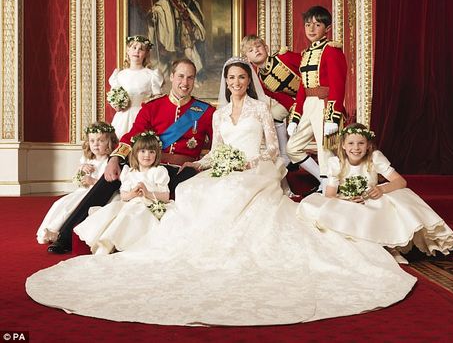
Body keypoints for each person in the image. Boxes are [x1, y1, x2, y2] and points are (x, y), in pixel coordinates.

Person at [27, 58, 416, 326]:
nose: (235, 84)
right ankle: (74, 233)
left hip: (248, 168)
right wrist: (190, 162)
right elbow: (205, 149)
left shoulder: (237, 110)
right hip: (179, 162)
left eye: (241, 78)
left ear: (246, 80)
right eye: (229, 79)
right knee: (184, 189)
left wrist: (239, 162)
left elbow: (267, 148)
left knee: (216, 191)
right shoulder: (185, 110)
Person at [47, 58, 214, 254]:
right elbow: (131, 137)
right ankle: (66, 236)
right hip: (148, 164)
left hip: (180, 171)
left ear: (195, 80)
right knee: (110, 178)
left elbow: (216, 146)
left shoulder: (206, 112)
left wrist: (199, 164)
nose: (184, 83)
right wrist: (114, 159)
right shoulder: (153, 107)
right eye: (180, 76)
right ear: (171, 77)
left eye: (190, 78)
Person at [298, 123, 453, 262]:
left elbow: (401, 182)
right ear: (343, 146)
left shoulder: (374, 158)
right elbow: (330, 194)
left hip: (372, 199)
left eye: (361, 143)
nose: (356, 148)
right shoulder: (336, 163)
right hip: (348, 200)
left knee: (391, 202)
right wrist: (346, 199)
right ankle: (362, 248)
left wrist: (381, 189)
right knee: (330, 209)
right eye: (351, 143)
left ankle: (390, 246)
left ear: (368, 145)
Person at [74, 131, 170, 255]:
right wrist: (133, 194)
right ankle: (104, 243)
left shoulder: (158, 171)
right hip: (131, 202)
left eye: (152, 152)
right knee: (112, 212)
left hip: (149, 205)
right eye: (143, 151)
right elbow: (124, 195)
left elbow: (166, 196)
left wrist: (147, 193)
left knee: (131, 215)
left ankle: (111, 242)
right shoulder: (129, 172)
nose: (147, 155)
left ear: (157, 154)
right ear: (135, 153)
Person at [286, 6, 347, 194]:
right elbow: (303, 88)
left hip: (325, 103)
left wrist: (332, 116)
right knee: (292, 147)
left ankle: (327, 185)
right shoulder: (306, 53)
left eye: (317, 25)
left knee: (324, 149)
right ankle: (322, 181)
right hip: (309, 104)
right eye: (307, 25)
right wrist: (295, 118)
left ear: (327, 28)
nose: (311, 29)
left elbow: (338, 85)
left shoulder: (332, 51)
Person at [36, 122, 118, 244]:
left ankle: (59, 232)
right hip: (82, 191)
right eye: (92, 141)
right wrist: (81, 171)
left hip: (94, 194)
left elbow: (106, 185)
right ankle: (50, 229)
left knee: (72, 207)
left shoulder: (109, 162)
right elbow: (77, 179)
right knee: (60, 203)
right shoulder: (87, 160)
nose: (95, 144)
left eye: (100, 140)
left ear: (110, 142)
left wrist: (92, 181)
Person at [241, 34, 301, 167]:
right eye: (251, 50)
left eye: (258, 46)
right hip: (295, 101)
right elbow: (281, 97)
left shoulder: (283, 57)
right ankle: (286, 156)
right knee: (272, 116)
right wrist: (295, 108)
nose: (256, 50)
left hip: (311, 94)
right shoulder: (260, 79)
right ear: (247, 58)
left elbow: (307, 69)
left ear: (266, 48)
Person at [108, 35, 164, 138]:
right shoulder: (119, 75)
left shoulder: (151, 75)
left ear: (146, 54)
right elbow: (114, 96)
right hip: (123, 117)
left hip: (142, 117)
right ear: (128, 51)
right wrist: (117, 105)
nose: (137, 51)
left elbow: (157, 100)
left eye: (141, 49)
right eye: (134, 48)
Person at [148, 0, 206, 81]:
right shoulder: (164, 0)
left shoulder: (188, 0)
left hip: (184, 32)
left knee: (190, 54)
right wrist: (154, 14)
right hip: (171, 32)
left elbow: (195, 16)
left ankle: (194, 78)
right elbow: (158, 10)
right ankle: (170, 79)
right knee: (171, 58)